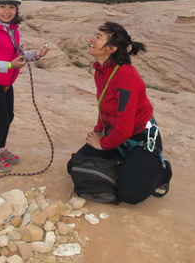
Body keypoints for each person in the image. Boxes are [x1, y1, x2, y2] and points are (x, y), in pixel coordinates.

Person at [68, 22, 168, 204]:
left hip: (140, 138)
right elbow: (104, 106)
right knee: (74, 166)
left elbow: (125, 125)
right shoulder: (101, 70)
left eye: (98, 37)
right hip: (117, 134)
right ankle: (126, 163)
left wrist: (104, 144)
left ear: (112, 48)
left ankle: (162, 171)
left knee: (130, 195)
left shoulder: (126, 77)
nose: (91, 39)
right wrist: (99, 131)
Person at [0, 0, 49, 173]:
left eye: (11, 7)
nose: (7, 11)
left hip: (6, 82)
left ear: (16, 9)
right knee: (2, 119)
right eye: (2, 6)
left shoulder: (12, 29)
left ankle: (1, 150)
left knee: (9, 116)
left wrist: (36, 54)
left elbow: (18, 54)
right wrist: (10, 66)